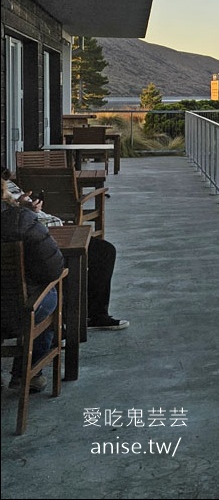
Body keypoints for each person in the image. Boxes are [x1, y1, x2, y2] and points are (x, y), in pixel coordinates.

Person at [1, 167, 128, 331]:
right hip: (24, 296)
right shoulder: (18, 219)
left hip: (34, 235)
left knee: (102, 251)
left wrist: (22, 205)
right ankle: (65, 327)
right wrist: (22, 210)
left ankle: (88, 316)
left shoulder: (14, 202)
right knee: (92, 256)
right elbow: (54, 270)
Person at [1, 188, 65, 392]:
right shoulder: (22, 221)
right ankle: (27, 373)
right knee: (49, 293)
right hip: (16, 314)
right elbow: (53, 269)